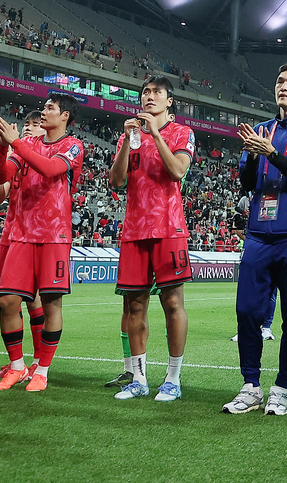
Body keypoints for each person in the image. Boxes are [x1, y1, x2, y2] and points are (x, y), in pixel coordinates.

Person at [222, 63, 287, 416]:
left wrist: (270, 153)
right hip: (258, 236)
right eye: (279, 81)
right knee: (247, 312)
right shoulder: (262, 130)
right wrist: (253, 156)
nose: (283, 86)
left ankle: (281, 387)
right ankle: (250, 386)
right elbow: (247, 184)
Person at [0, 94, 85, 392]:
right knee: (7, 301)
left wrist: (16, 143)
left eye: (50, 108)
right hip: (21, 233)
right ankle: (17, 366)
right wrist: (6, 146)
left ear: (65, 116)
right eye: (43, 108)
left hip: (54, 235)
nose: (44, 112)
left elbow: (51, 169)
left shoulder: (73, 145)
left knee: (51, 303)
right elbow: (4, 175)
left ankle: (42, 369)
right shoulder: (27, 144)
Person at [108, 76, 194, 401]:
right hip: (134, 231)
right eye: (146, 92)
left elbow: (177, 171)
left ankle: (173, 379)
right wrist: (128, 143)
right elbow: (116, 181)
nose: (150, 96)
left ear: (169, 101)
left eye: (157, 92)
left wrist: (155, 134)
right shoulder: (128, 137)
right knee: (134, 307)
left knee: (172, 303)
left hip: (169, 228)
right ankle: (139, 379)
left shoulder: (182, 133)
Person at [0, 112, 49, 383]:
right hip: (13, 231)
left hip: (38, 233)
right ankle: (20, 363)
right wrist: (5, 156)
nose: (28, 129)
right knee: (14, 299)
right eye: (26, 125)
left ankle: (35, 362)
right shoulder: (17, 155)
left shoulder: (46, 155)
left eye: (34, 125)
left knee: (32, 299)